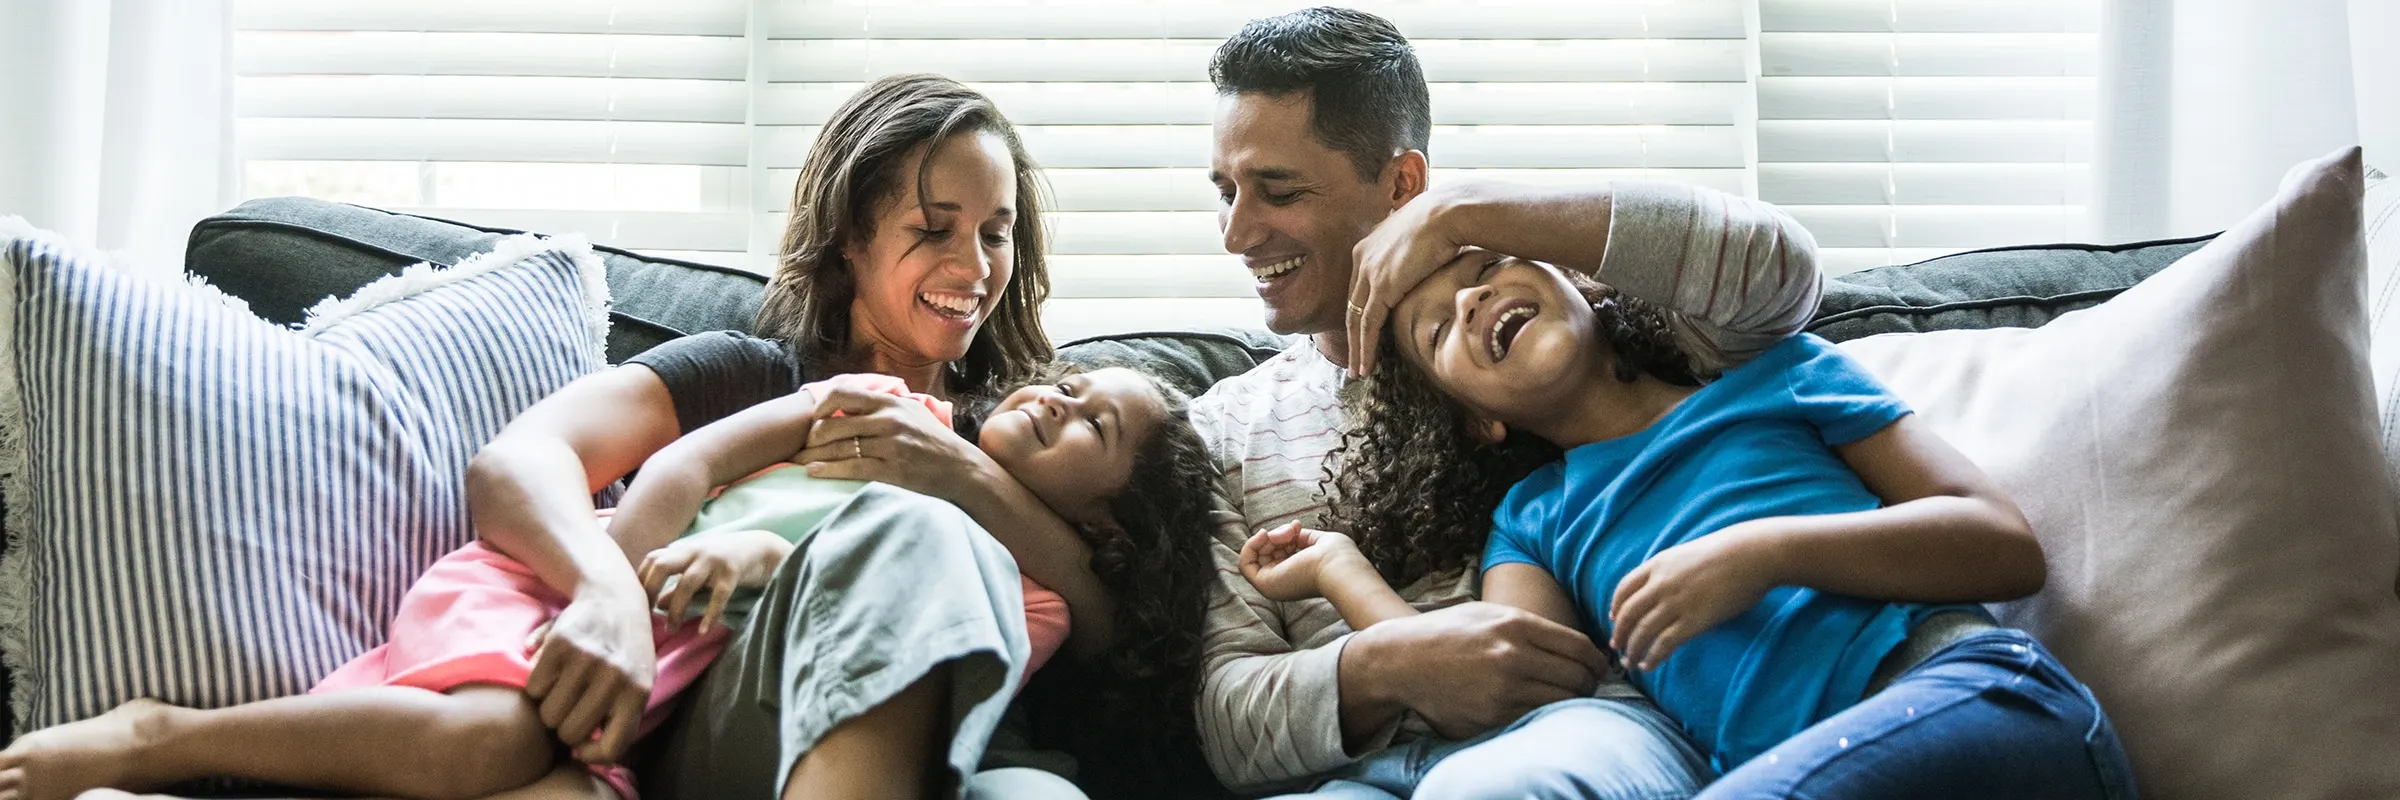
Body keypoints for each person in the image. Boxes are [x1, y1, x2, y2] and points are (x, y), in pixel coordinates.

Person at [0, 365, 1215, 800]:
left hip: (668, 712)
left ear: (1105, 517)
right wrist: (624, 585)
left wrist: (763, 558)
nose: (1051, 395)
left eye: (1087, 423)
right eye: (1069, 378)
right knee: (485, 743)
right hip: (572, 609)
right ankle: (160, 738)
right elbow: (679, 468)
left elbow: (1064, 635)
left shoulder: (1030, 586)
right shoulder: (871, 396)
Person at [1243, 242, 2137, 798]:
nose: (1472, 301)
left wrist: (1763, 551)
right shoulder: (1535, 518)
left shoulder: (1775, 375)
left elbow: (2003, 546)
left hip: (1983, 706)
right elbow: (1497, 681)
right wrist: (1339, 570)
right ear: (1480, 420)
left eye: (1487, 269)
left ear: (1581, 282)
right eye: (1441, 330)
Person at [1191, 8, 1798, 799]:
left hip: (1574, 735)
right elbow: (1222, 721)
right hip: (1355, 774)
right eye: (1225, 191)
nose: (1237, 234)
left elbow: (1777, 274)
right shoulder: (1219, 430)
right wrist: (1387, 665)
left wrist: (1465, 213)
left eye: (1278, 190)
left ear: (1402, 182)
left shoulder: (1550, 335)